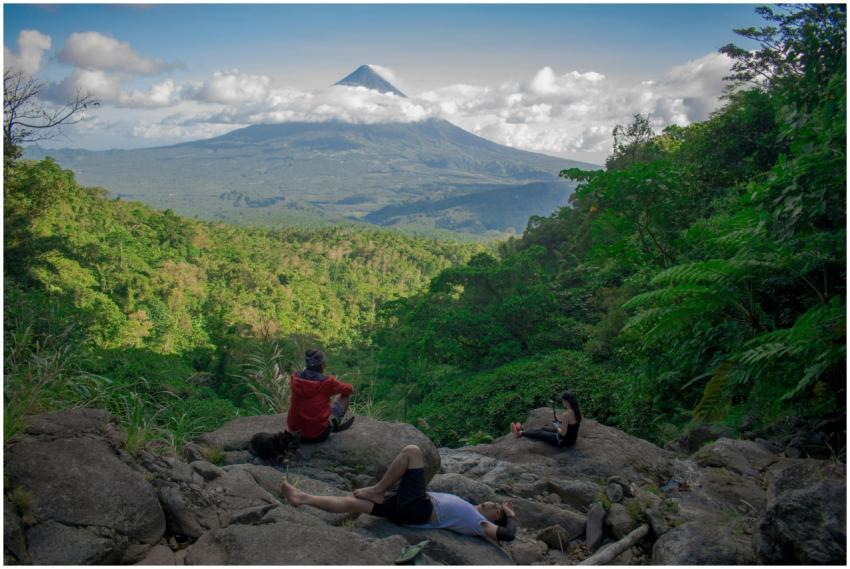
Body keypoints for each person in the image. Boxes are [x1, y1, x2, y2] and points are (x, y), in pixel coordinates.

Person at [281, 444, 518, 543]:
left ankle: (377, 490)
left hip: (420, 509)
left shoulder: (478, 522)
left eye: (497, 510)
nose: (495, 505)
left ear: (491, 519)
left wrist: (510, 516)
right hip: (411, 510)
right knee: (353, 503)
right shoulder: (469, 507)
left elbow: (508, 535)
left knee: (413, 452)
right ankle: (302, 499)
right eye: (497, 504)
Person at [287, 348, 354, 443]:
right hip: (319, 435)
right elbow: (349, 389)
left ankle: (331, 422)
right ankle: (335, 423)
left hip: (296, 434)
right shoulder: (327, 382)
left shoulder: (295, 378)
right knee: (345, 395)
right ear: (322, 365)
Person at [511, 391, 581, 448]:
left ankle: (520, 433)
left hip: (563, 441)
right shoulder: (576, 411)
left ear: (566, 401)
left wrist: (557, 427)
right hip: (571, 440)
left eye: (562, 400)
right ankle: (523, 430)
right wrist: (560, 423)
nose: (562, 402)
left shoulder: (566, 414)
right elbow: (572, 425)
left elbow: (563, 433)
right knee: (543, 429)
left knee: (540, 433)